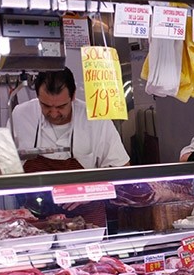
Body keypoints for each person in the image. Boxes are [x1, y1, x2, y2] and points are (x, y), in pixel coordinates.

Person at [9, 68, 130, 226]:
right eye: (45, 106)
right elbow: (5, 164)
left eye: (61, 107)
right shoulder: (20, 115)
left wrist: (90, 191)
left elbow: (123, 172)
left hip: (87, 224)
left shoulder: (96, 120)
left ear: (73, 97)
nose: (53, 113)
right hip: (35, 225)